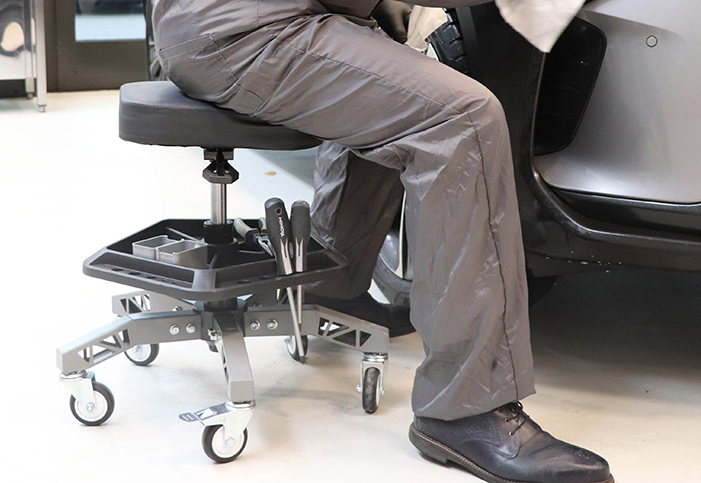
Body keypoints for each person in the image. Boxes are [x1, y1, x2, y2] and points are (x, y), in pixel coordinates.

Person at [151, 1, 613, 481]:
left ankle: (331, 287)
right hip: (243, 34)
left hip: (227, 20)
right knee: (462, 118)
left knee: (398, 68)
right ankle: (466, 408)